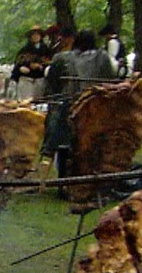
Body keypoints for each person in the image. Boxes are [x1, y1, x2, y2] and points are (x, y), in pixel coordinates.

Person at [42, 29, 117, 178]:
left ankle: (62, 180)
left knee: (63, 141)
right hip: (93, 109)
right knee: (87, 142)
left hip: (67, 107)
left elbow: (52, 84)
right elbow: (110, 84)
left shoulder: (61, 58)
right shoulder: (103, 58)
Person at [10, 27, 51, 99]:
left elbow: (50, 63)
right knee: (26, 102)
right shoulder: (24, 50)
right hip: (26, 80)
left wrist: (40, 66)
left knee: (39, 102)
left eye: (38, 34)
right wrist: (25, 66)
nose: (36, 36)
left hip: (40, 79)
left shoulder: (46, 50)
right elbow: (18, 63)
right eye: (33, 35)